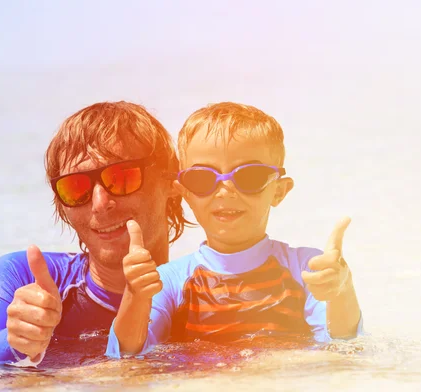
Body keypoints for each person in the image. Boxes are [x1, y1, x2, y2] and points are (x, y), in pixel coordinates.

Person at [106, 102, 363, 358]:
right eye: (203, 178)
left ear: (279, 191)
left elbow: (344, 341)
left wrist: (341, 293)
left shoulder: (306, 268)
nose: (225, 190)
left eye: (249, 177)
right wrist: (135, 295)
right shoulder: (170, 281)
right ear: (184, 194)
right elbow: (128, 355)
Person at [0, 101, 191, 366]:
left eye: (121, 177)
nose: (100, 204)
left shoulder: (205, 295)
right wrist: (14, 341)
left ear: (171, 182)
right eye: (76, 188)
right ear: (62, 207)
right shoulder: (23, 278)